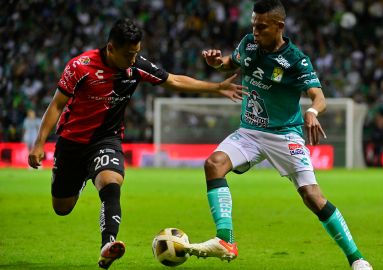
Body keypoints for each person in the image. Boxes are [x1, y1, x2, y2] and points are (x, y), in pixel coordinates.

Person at [27, 18, 246, 269]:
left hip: (106, 139)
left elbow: (173, 80)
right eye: (128, 54)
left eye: (137, 53)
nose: (133, 59)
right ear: (111, 48)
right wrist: (39, 143)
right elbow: (56, 104)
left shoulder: (136, 67)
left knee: (111, 183)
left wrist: (216, 87)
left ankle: (107, 245)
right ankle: (82, 177)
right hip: (72, 143)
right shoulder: (80, 67)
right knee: (62, 208)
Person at [185, 1, 373, 270]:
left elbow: (318, 97)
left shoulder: (296, 60)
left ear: (279, 26)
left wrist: (313, 113)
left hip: (284, 134)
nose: (256, 31)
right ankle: (225, 240)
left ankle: (357, 258)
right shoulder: (249, 43)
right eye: (253, 25)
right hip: (249, 131)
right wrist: (218, 63)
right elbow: (232, 63)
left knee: (312, 197)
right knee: (214, 164)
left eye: (261, 27)